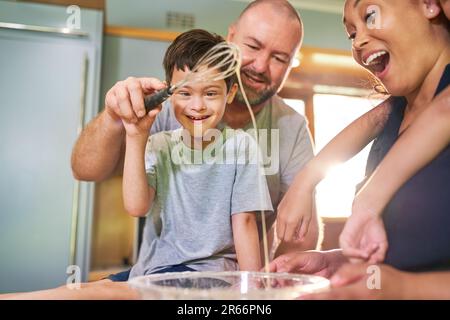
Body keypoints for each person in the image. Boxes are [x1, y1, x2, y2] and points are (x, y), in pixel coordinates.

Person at [71, 0, 320, 263]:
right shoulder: (163, 113)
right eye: (253, 46)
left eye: (279, 58)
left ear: (292, 63)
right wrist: (114, 118)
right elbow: (85, 170)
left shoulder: (292, 129)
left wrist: (266, 288)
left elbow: (301, 232)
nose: (259, 65)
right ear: (231, 37)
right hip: (159, 275)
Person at [271, 0, 450, 299]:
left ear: (430, 4)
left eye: (371, 15)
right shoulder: (390, 123)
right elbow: (407, 252)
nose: (359, 41)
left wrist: (404, 289)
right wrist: (336, 263)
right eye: (351, 34)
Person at [122, 29, 272, 276]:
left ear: (230, 93)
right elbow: (137, 207)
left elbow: (244, 222)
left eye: (211, 93)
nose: (198, 105)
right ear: (169, 94)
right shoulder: (158, 145)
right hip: (156, 271)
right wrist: (135, 136)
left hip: (215, 274)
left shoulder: (241, 146)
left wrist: (252, 289)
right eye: (185, 93)